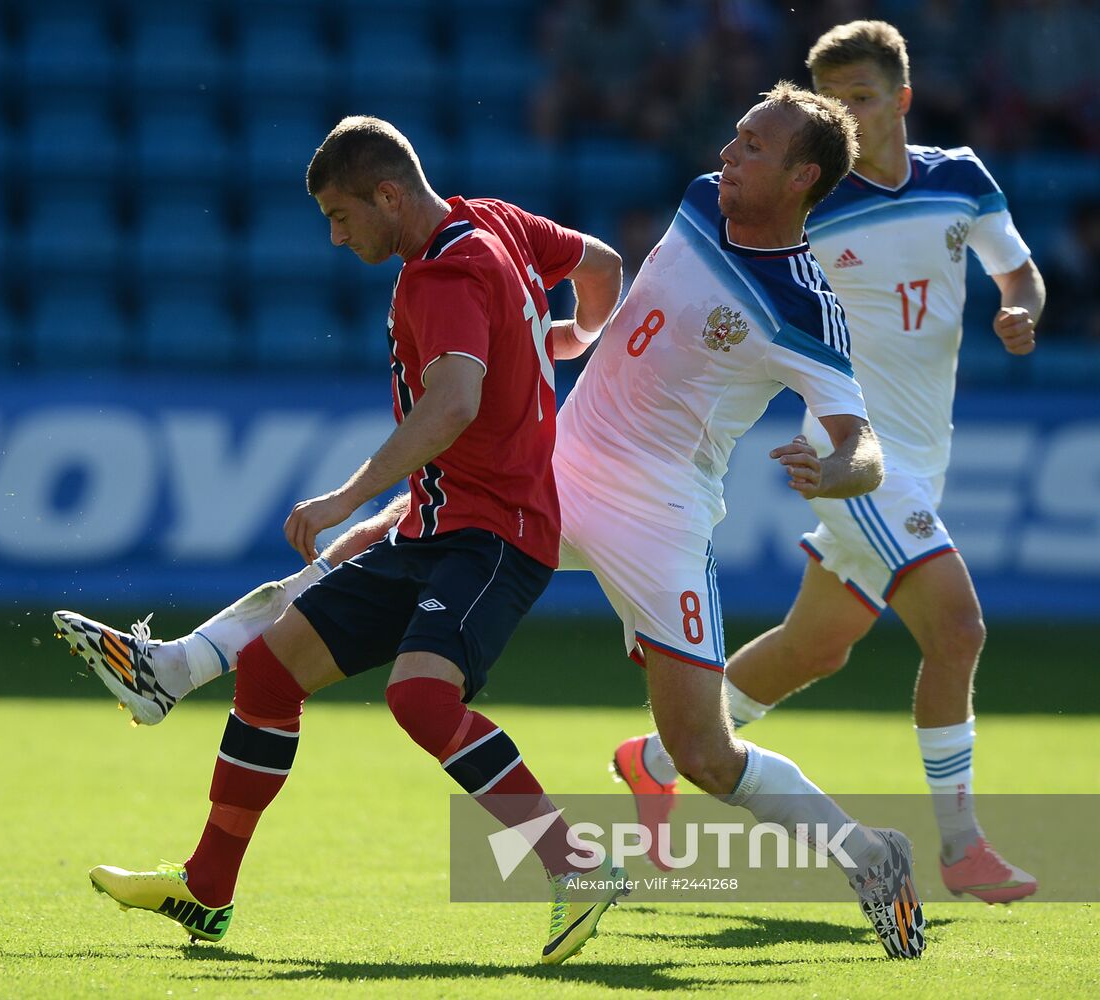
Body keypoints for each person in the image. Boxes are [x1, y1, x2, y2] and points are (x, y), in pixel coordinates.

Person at [61, 85, 929, 961]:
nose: (728, 156)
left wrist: (836, 473)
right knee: (369, 545)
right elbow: (601, 267)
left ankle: (871, 856)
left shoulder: (804, 305)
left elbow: (865, 448)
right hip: (551, 470)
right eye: (735, 136)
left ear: (802, 175)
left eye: (752, 148)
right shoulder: (702, 200)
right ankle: (174, 669)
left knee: (702, 754)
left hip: (659, 520)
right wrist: (582, 335)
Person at [55, 115, 629, 965]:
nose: (335, 236)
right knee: (269, 668)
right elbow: (605, 267)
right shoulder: (498, 222)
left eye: (341, 215)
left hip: (493, 536)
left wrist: (345, 495)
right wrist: (571, 340)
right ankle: (207, 889)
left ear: (388, 193)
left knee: (422, 699)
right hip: (437, 526)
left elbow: (454, 404)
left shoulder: (440, 275)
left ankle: (575, 866)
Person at [617, 20, 1046, 907]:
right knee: (958, 629)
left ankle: (654, 758)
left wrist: (1020, 307)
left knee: (815, 651)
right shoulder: (813, 205)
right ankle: (963, 848)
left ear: (902, 98)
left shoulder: (961, 178)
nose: (848, 114)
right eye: (833, 100)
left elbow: (1020, 270)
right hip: (852, 454)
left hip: (926, 453)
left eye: (861, 97)